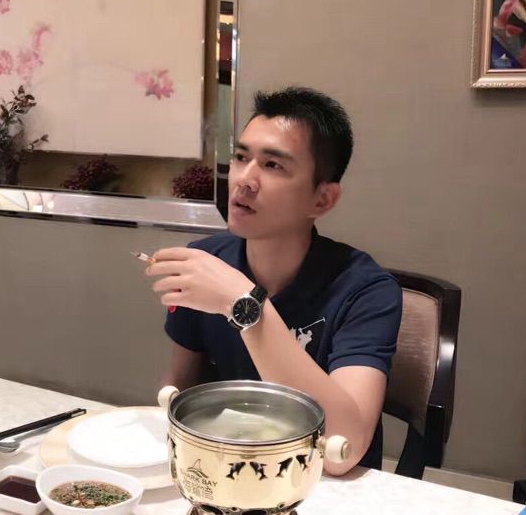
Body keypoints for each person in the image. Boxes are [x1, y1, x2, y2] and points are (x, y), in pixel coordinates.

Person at [147, 87, 402, 475]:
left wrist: (242, 303)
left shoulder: (365, 291)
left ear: (322, 199)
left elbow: (344, 450)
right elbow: (181, 387)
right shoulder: (206, 262)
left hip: (319, 484)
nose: (244, 180)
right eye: (241, 157)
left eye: (272, 165)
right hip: (229, 469)